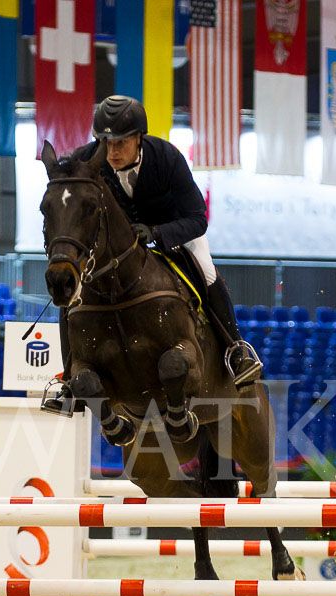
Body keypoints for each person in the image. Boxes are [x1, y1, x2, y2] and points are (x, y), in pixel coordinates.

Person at [40, 95, 262, 416]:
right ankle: (68, 382)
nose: (112, 152)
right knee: (74, 290)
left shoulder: (167, 158)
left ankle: (235, 349)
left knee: (206, 270)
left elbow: (197, 218)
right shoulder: (88, 161)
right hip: (121, 246)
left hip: (172, 232)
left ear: (139, 138)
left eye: (121, 143)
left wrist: (157, 233)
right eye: (106, 143)